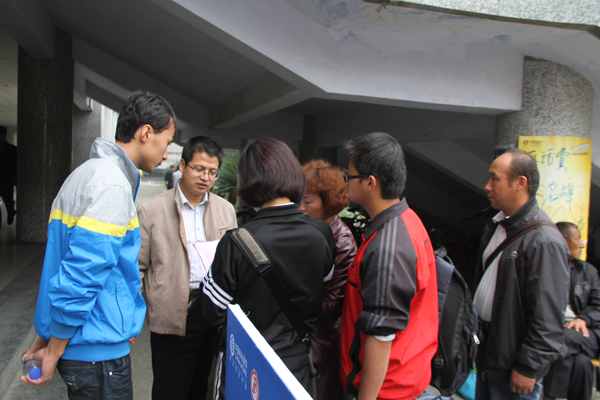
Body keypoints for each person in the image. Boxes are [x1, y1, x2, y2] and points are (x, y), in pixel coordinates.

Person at [21, 90, 177, 399]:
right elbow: (83, 272)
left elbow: (69, 261)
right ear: (146, 133)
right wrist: (54, 348)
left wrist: (50, 335)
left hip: (88, 344)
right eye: (167, 142)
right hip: (97, 356)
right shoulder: (111, 186)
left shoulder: (87, 174)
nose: (165, 154)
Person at [191, 137, 336, 399]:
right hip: (295, 365)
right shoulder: (322, 234)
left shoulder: (236, 242)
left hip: (243, 364)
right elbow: (322, 284)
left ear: (249, 182)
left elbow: (210, 314)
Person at [339, 132, 439, 400]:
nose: (346, 182)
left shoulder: (387, 247)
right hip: (405, 374)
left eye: (350, 176)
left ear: (370, 182)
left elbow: (381, 336)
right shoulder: (407, 219)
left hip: (385, 389)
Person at [137, 135, 237, 400]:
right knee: (169, 390)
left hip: (211, 313)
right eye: (199, 169)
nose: (205, 177)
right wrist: (136, 314)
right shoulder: (151, 211)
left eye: (212, 172)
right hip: (171, 314)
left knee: (201, 388)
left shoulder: (226, 211)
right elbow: (138, 268)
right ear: (182, 166)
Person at [472, 149, 570, 400]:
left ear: (520, 183)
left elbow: (548, 314)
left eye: (494, 178)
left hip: (514, 364)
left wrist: (528, 366)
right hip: (488, 350)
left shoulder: (544, 241)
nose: (487, 186)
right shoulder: (498, 224)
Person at [300, 159, 356, 400]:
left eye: (307, 201)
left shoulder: (342, 242)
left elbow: (332, 307)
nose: (300, 207)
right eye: (298, 199)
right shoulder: (307, 228)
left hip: (322, 343)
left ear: (329, 202)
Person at [542, 222, 600, 400]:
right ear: (563, 241)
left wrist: (583, 319)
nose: (582, 244)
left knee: (560, 339)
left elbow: (598, 305)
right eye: (578, 239)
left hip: (587, 331)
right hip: (558, 330)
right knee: (581, 363)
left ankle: (549, 396)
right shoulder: (545, 265)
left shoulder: (588, 271)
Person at [0, 126, 17, 227]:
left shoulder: (12, 150)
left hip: (7, 180)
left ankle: (11, 211)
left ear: (3, 135)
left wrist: (15, 179)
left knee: (7, 200)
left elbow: (15, 166)